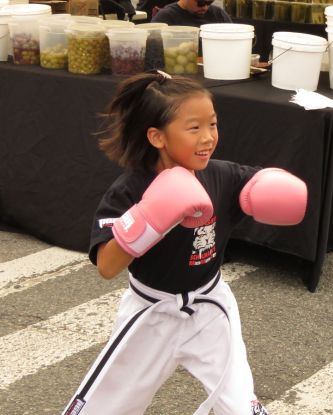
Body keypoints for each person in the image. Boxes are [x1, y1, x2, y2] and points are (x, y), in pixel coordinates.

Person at [60, 71, 307, 415]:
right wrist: (150, 216)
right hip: (151, 312)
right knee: (103, 409)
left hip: (209, 306)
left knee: (241, 407)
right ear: (157, 137)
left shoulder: (223, 175)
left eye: (213, 125)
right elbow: (106, 266)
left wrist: (271, 185)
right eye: (194, 128)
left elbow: (267, 186)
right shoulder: (130, 189)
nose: (208, 138)